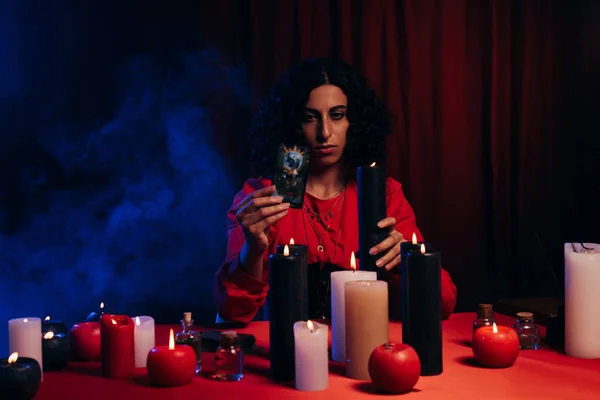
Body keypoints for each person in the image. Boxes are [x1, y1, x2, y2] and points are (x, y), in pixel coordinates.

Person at [214, 58, 457, 325]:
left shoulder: (384, 196)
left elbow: (443, 302)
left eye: (337, 115)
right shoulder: (262, 197)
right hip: (286, 353)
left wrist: (409, 259)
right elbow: (230, 312)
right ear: (293, 125)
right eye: (310, 118)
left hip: (364, 351)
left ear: (354, 121)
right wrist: (253, 250)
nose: (325, 133)